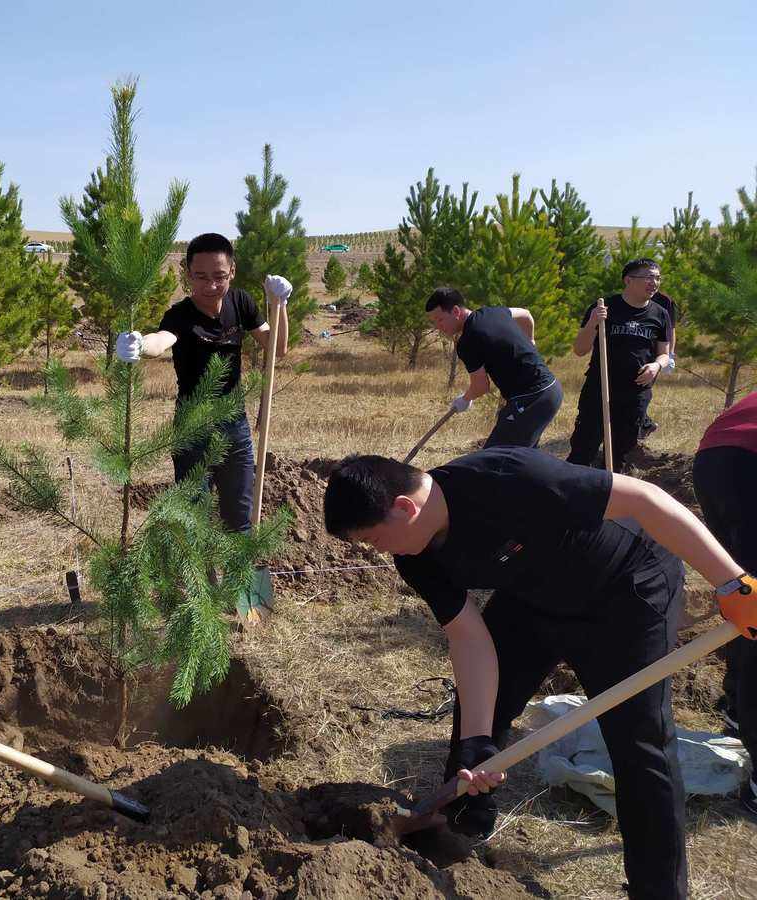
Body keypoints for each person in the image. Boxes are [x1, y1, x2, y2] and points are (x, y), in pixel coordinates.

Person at [323, 447, 756, 900]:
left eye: (373, 540)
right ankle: (460, 823)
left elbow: (644, 498)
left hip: (626, 590)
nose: (377, 552)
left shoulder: (507, 477)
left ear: (404, 507)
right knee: (479, 721)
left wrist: (732, 582)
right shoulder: (415, 556)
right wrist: (476, 746)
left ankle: (660, 891)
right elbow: (470, 639)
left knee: (639, 741)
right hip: (531, 598)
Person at [114, 232, 289, 531]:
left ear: (232, 272)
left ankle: (240, 576)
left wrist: (280, 304)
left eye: (220, 276)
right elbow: (162, 341)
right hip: (191, 428)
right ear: (187, 274)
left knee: (240, 516)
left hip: (235, 425)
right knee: (194, 520)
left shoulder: (241, 302)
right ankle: (200, 578)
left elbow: (277, 348)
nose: (210, 286)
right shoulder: (179, 315)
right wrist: (140, 345)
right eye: (201, 276)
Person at [692, 392, 757, 817]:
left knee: (747, 596)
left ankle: (736, 710)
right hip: (745, 462)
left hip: (714, 457)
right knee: (755, 604)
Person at [424, 287, 563, 448]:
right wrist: (531, 340)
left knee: (497, 459)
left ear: (455, 311)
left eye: (440, 319)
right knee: (522, 459)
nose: (438, 326)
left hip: (532, 398)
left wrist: (465, 399)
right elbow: (526, 314)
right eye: (434, 322)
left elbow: (481, 386)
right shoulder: (493, 312)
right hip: (551, 389)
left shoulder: (467, 341)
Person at [568, 258, 672, 468]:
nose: (654, 282)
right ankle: (570, 496)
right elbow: (579, 350)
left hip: (636, 393)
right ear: (628, 280)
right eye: (648, 277)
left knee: (620, 454)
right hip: (600, 389)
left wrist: (656, 366)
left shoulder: (660, 314)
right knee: (583, 449)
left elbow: (664, 354)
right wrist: (592, 323)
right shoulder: (604, 308)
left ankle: (612, 496)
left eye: (657, 278)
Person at [641, 288, 679, 438]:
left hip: (655, 353)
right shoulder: (625, 297)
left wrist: (670, 354)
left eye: (657, 277)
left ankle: (643, 425)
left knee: (643, 390)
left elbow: (671, 329)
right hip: (632, 350)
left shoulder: (665, 300)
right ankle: (644, 424)